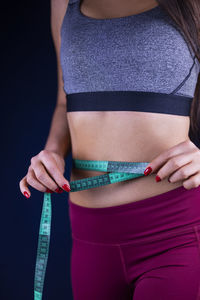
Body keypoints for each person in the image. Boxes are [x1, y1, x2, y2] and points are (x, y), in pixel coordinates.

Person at [19, 0, 200, 299]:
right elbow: (66, 101)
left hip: (173, 228)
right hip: (91, 233)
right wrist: (51, 151)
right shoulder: (63, 3)